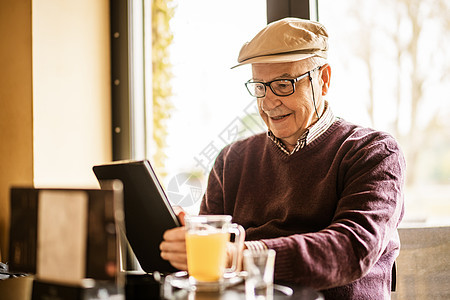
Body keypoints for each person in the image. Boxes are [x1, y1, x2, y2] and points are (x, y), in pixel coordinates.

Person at [160, 17, 405, 299]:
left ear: (323, 80)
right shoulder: (231, 161)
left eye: (283, 84)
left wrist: (239, 255)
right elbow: (212, 259)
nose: (268, 102)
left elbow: (352, 247)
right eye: (260, 86)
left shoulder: (373, 152)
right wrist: (188, 240)